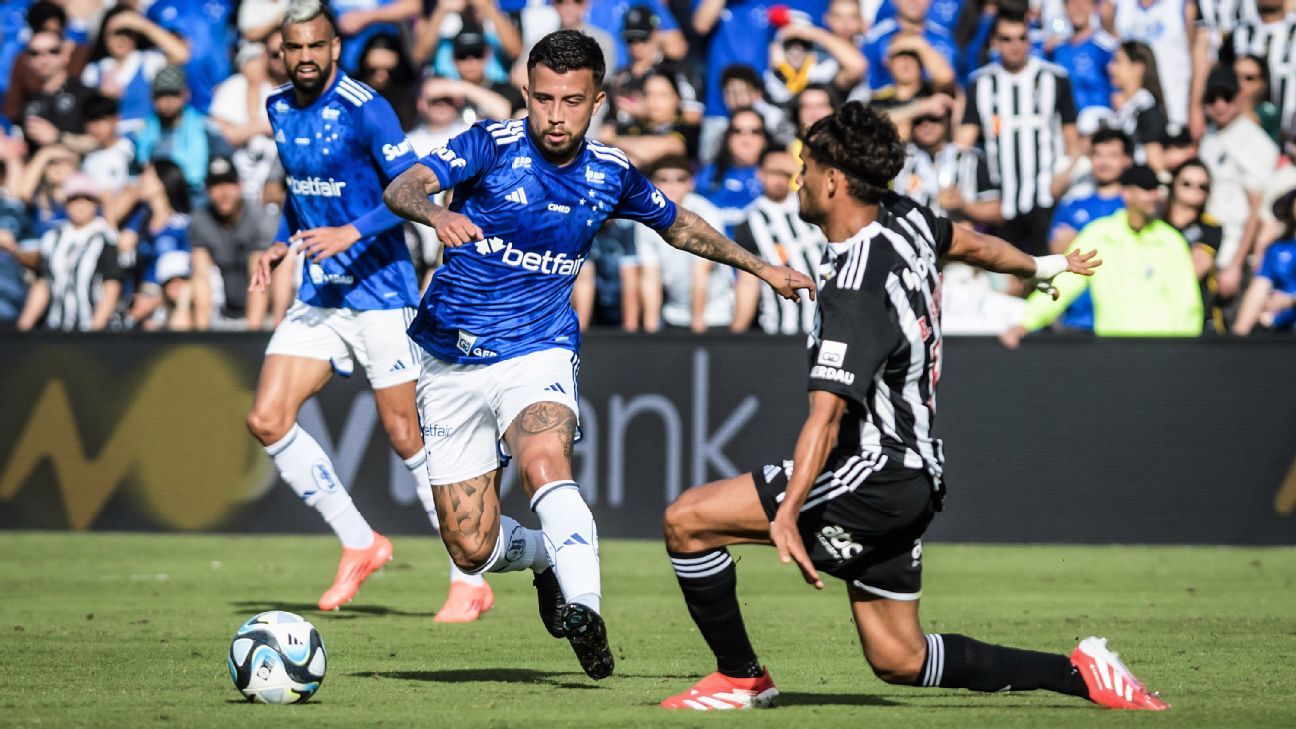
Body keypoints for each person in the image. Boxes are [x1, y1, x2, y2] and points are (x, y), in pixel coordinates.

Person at [657, 101, 1166, 714]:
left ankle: (741, 678)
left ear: (833, 181)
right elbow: (974, 244)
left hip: (873, 473)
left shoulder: (856, 289)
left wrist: (789, 511)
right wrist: (1043, 266)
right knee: (901, 660)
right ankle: (1082, 674)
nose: (798, 178)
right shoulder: (906, 219)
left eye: (805, 166)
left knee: (687, 521)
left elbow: (825, 417)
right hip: (914, 475)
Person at [381, 28, 815, 680]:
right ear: (526, 93)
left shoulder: (610, 173)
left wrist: (760, 267)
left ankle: (585, 605)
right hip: (450, 356)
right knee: (470, 547)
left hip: (539, 348)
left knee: (543, 455)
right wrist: (434, 215)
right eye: (545, 98)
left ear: (599, 101)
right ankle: (547, 559)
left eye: (572, 101)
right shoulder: (488, 146)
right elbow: (403, 187)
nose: (556, 114)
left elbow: (682, 225)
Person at [245, 0, 494, 622]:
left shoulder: (364, 107)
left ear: (334, 48)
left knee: (409, 436)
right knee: (267, 419)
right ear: (282, 50)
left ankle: (470, 576)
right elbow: (303, 191)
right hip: (322, 293)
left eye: (315, 46)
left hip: (383, 290)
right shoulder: (278, 107)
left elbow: (409, 188)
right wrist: (282, 242)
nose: (304, 57)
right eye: (293, 48)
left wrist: (350, 234)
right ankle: (361, 542)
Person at [1002, 165, 1203, 344]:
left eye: (1154, 190)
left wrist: (1184, 349)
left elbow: (1187, 302)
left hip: (1162, 350)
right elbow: (1065, 284)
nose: (1152, 196)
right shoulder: (1099, 235)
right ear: (1127, 194)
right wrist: (1026, 322)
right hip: (1113, 350)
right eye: (1145, 189)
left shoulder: (1171, 241)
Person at [959, 12, 1080, 256]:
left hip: (1047, 197)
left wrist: (1062, 176)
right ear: (995, 41)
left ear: (1030, 40)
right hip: (1001, 203)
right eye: (1006, 39)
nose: (1015, 46)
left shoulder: (1054, 78)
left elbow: (1073, 141)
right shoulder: (980, 83)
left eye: (1021, 38)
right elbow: (964, 144)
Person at [1198, 66, 1278, 301]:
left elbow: (1258, 210)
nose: (1220, 105)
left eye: (1227, 96)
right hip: (1209, 249)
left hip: (1235, 255)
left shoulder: (1256, 141)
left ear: (1241, 95)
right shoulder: (1210, 135)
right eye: (1212, 98)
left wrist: (1236, 263)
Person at [635, 156, 733, 332]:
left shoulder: (706, 213)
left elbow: (702, 273)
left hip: (714, 314)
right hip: (674, 314)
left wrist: (697, 324)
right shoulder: (645, 219)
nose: (672, 186)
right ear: (651, 184)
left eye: (680, 179)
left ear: (691, 183)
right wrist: (650, 329)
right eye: (663, 179)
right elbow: (650, 277)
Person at [733, 146, 825, 335]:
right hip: (782, 329)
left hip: (828, 324)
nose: (779, 180)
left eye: (785, 174)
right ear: (760, 174)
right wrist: (737, 331)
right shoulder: (750, 223)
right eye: (773, 172)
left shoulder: (814, 208)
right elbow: (748, 283)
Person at [18, 173, 123, 332]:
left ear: (95, 203)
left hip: (94, 330)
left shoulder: (105, 237)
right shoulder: (52, 238)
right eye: (75, 198)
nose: (80, 203)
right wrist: (24, 327)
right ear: (66, 203)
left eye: (87, 198)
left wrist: (95, 331)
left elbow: (111, 288)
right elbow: (43, 284)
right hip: (57, 329)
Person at [190, 157, 276, 330]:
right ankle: (201, 338)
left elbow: (262, 272)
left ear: (240, 185)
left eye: (229, 183)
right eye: (216, 185)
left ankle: (252, 337)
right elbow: (201, 272)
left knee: (259, 265)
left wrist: (251, 329)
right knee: (198, 266)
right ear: (207, 190)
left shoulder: (258, 217)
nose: (223, 192)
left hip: (265, 311)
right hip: (222, 308)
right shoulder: (201, 220)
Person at [80, 4, 191, 133]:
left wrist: (142, 25)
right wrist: (103, 99)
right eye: (116, 33)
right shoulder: (93, 71)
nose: (121, 39)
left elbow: (181, 55)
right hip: (110, 142)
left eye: (127, 33)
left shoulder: (147, 61)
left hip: (145, 138)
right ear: (105, 35)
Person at [118, 159, 194, 331]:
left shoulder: (182, 225)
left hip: (169, 298)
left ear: (162, 182)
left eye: (147, 175)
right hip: (138, 296)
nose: (141, 180)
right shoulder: (141, 219)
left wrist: (155, 301)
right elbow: (121, 243)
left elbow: (186, 275)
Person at [1163, 158, 1227, 333]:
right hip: (1159, 315)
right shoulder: (1155, 223)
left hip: (1199, 318)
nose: (1195, 190)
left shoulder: (1211, 227)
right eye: (1187, 183)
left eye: (1203, 186)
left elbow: (1194, 271)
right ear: (1173, 183)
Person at [695, 109, 769, 237]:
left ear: (765, 139)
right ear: (728, 138)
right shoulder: (707, 175)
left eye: (755, 131)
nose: (746, 139)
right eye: (737, 131)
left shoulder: (778, 175)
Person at [1232, 188, 1296, 334]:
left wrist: (1290, 301)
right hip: (1280, 328)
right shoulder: (1279, 248)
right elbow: (1260, 286)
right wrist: (1239, 334)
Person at [1107, 41, 1168, 171]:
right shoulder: (1129, 107)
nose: (1110, 68)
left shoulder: (1146, 107)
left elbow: (1155, 161)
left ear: (1138, 67)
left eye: (1117, 62)